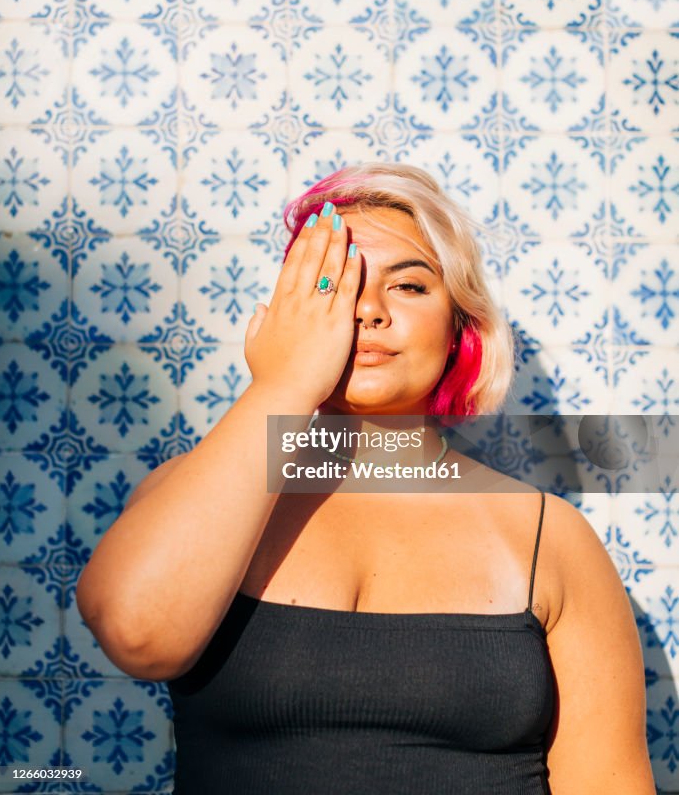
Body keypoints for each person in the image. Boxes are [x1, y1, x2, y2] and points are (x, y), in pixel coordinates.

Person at [76, 163, 655, 794]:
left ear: (460, 325)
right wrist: (283, 384)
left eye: (408, 287)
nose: (369, 312)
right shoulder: (197, 492)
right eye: (335, 284)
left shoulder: (551, 537)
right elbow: (137, 636)